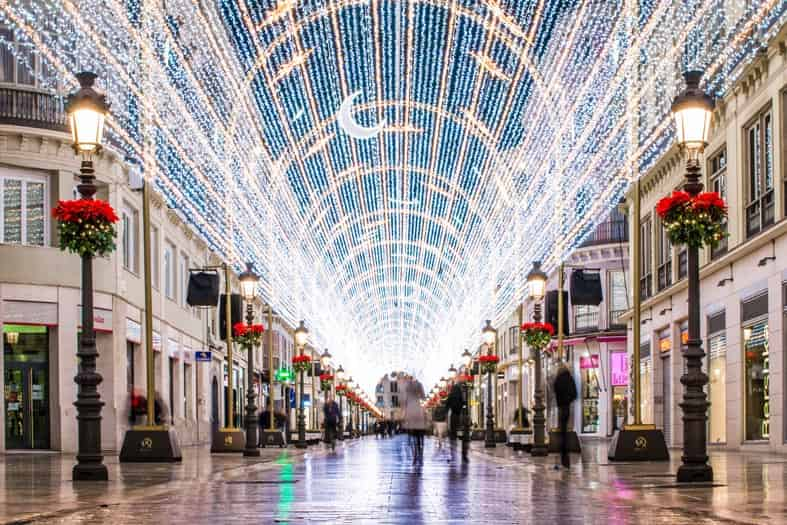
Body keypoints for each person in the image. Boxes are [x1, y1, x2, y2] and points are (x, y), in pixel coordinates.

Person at [553, 361, 578, 468]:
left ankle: (563, 454)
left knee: (562, 431)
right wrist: (568, 400)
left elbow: (555, 390)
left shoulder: (558, 379)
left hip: (560, 407)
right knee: (565, 431)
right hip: (567, 407)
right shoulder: (569, 378)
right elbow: (574, 393)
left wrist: (560, 401)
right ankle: (565, 456)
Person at [402, 379, 428, 461]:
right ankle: (419, 444)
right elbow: (423, 397)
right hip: (417, 408)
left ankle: (413, 445)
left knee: (411, 430)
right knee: (419, 429)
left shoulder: (407, 385)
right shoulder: (419, 384)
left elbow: (404, 399)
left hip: (410, 409)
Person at [445, 380, 467, 462]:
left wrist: (446, 411)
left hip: (453, 415)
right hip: (460, 414)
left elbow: (447, 404)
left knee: (453, 430)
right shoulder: (460, 395)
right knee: (460, 428)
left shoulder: (451, 395)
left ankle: (453, 441)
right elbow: (463, 403)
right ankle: (463, 452)